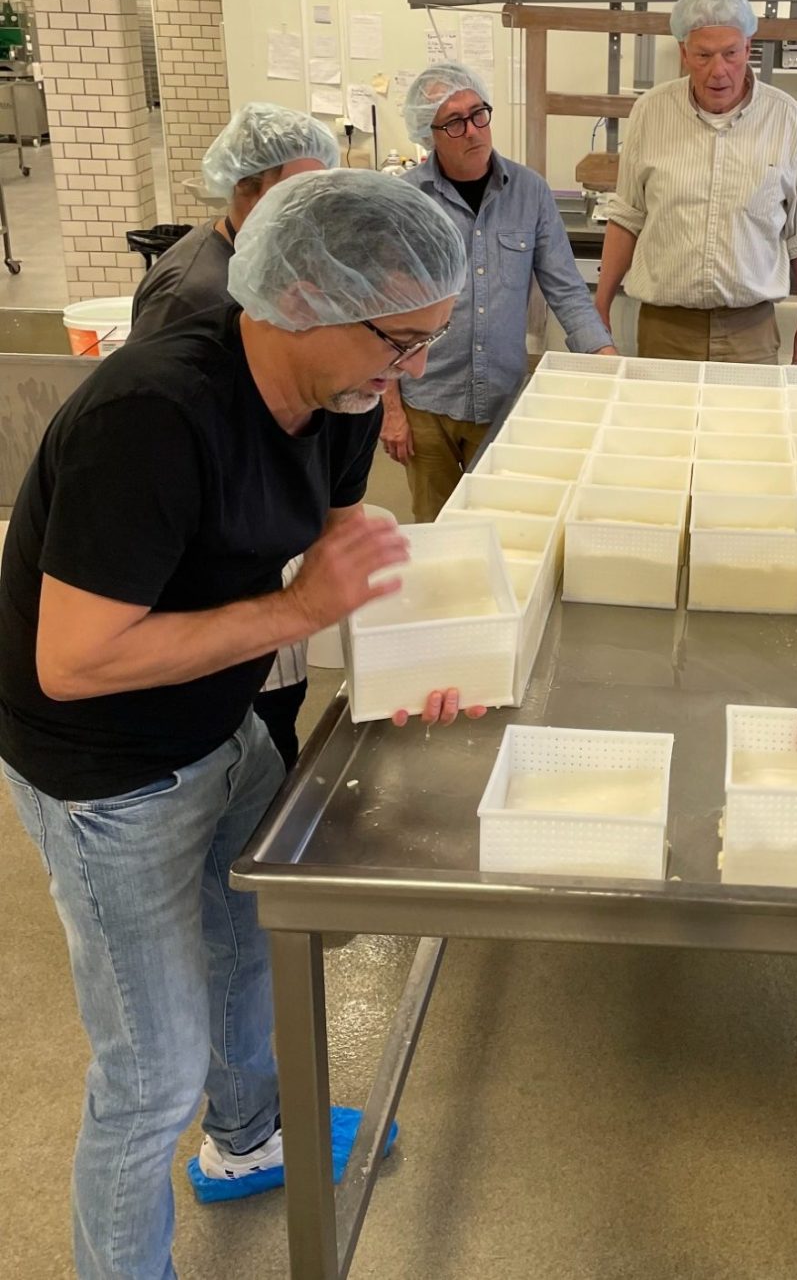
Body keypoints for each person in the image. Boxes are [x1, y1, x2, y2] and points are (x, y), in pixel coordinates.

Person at [0, 169, 478, 1279]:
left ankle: (248, 1138)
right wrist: (297, 614)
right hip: (106, 776)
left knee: (248, 950)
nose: (411, 371)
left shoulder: (340, 396)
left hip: (224, 721)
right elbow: (73, 663)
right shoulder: (152, 416)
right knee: (149, 1074)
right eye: (400, 342)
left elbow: (342, 541)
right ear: (303, 298)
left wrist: (420, 654)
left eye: (428, 342)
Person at [130, 101, 342, 768]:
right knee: (256, 712)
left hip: (260, 541)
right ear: (246, 188)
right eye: (295, 194)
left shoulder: (269, 267)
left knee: (277, 702)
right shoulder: (193, 293)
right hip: (214, 573)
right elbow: (161, 446)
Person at [389, 62, 615, 521]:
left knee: (503, 524)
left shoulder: (529, 192)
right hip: (427, 404)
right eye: (454, 122)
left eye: (478, 113)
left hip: (501, 400)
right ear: (429, 133)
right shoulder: (406, 201)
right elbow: (383, 312)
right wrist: (389, 410)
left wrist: (604, 356)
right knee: (436, 529)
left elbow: (567, 289)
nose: (473, 130)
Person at [594, 0, 797, 365]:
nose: (719, 71)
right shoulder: (651, 111)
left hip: (750, 331)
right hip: (665, 329)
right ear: (684, 53)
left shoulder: (784, 116)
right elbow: (627, 217)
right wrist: (599, 307)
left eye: (730, 54)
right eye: (703, 55)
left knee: (747, 409)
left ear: (748, 48)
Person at [130, 101, 340, 336]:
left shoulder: (262, 254)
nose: (307, 204)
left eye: (315, 189)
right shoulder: (191, 292)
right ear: (244, 182)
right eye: (293, 189)